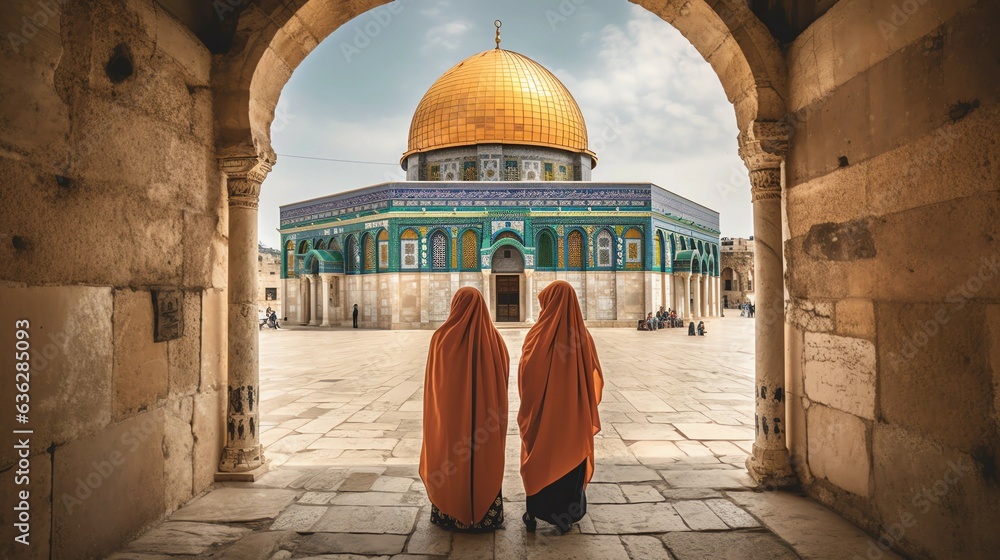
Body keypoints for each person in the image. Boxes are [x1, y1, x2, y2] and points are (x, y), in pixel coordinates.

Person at [419, 287, 509, 532]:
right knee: (484, 458)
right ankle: (486, 517)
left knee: (451, 459)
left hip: (450, 423)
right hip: (486, 423)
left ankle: (448, 514)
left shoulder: (441, 339)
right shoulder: (496, 341)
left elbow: (434, 389)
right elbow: (503, 380)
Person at [518, 281, 604, 534]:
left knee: (543, 458)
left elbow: (527, 376)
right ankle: (564, 514)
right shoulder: (583, 336)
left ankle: (536, 510)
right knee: (570, 460)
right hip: (573, 420)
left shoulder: (537, 336)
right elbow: (594, 376)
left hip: (543, 420)